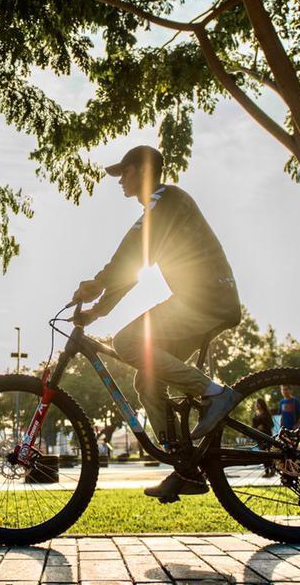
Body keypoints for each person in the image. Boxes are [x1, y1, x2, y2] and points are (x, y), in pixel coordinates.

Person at [71, 144, 242, 501]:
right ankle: (187, 470)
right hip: (198, 299)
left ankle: (216, 394)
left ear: (142, 171)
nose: (120, 182)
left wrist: (97, 282)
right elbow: (133, 272)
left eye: (124, 173)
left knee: (128, 343)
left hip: (206, 298)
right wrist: (98, 311)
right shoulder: (161, 207)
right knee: (146, 379)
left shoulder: (166, 201)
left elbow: (130, 252)